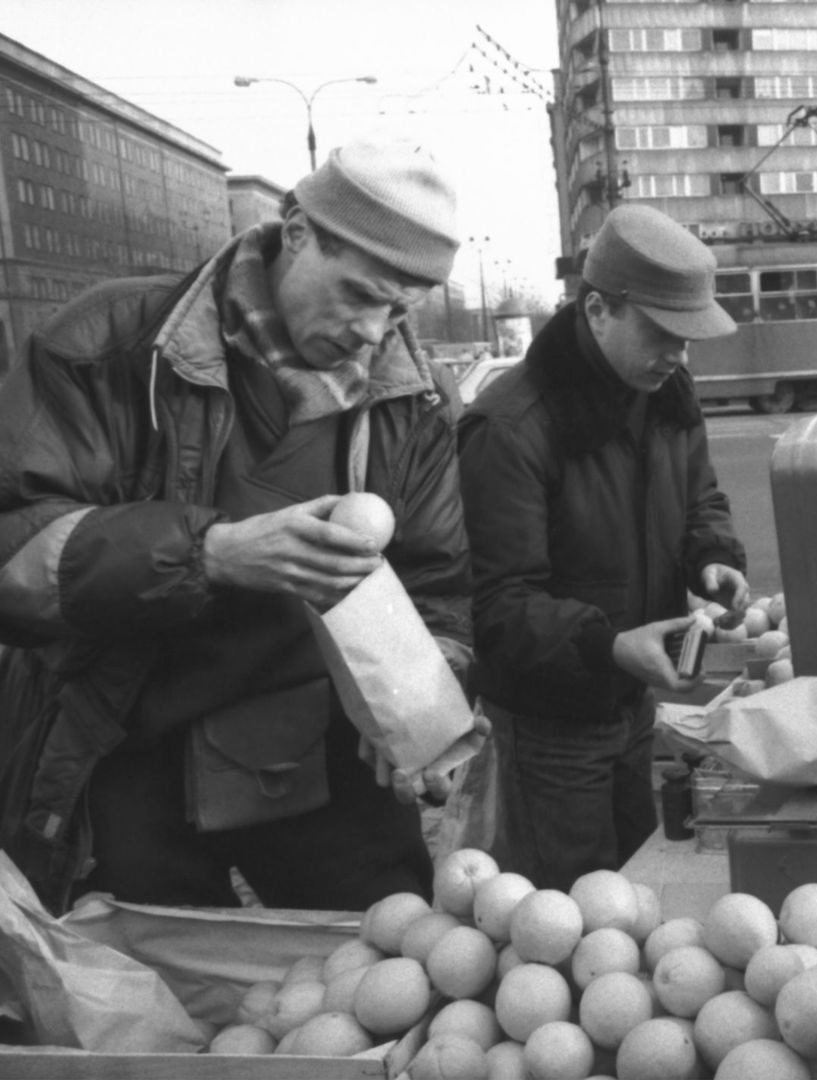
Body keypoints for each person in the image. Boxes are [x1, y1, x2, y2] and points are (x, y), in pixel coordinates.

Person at [0, 136, 476, 914]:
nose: (373, 330)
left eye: (400, 307)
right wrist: (213, 553)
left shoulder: (415, 398)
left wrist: (424, 700)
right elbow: (13, 545)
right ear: (295, 233)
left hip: (325, 758)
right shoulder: (111, 344)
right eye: (358, 294)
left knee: (391, 973)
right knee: (155, 997)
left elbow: (438, 583)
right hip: (125, 748)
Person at [458, 203, 749, 892]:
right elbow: (498, 606)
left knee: (633, 897)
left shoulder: (664, 389)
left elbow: (699, 497)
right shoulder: (510, 427)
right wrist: (610, 645)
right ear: (597, 310)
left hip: (630, 708)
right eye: (661, 332)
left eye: (689, 338)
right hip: (548, 730)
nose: (679, 355)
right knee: (566, 923)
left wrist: (714, 559)